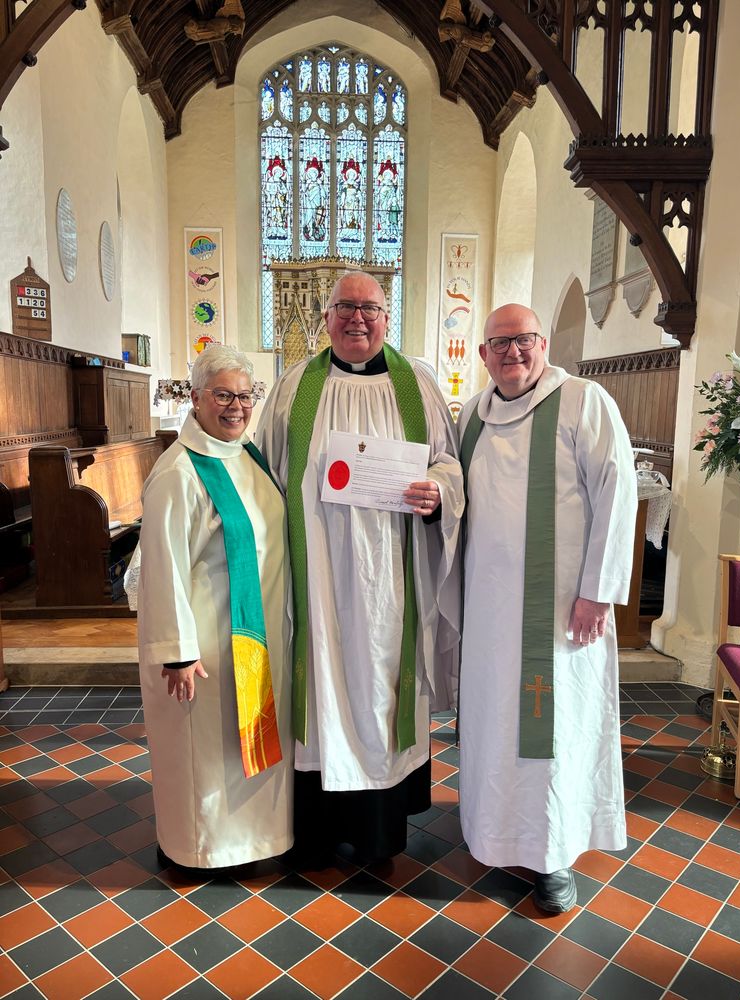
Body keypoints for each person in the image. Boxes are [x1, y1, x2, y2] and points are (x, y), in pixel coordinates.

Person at [256, 270, 463, 866]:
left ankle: (380, 832)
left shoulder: (417, 386)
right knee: (319, 681)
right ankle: (317, 832)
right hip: (314, 576)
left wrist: (437, 494)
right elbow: (267, 476)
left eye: (369, 308)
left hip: (389, 583)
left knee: (380, 682)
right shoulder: (294, 389)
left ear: (386, 317)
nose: (357, 319)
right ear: (325, 317)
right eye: (344, 307)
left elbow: (448, 463)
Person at [458, 303, 637, 913]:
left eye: (524, 340)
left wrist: (598, 591)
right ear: (483, 355)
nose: (512, 353)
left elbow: (618, 493)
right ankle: (494, 833)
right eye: (500, 344)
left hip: (559, 613)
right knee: (494, 725)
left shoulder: (584, 402)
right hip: (487, 612)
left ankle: (553, 854)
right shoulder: (471, 419)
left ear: (542, 345)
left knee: (552, 733)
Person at [136, 345, 293, 870]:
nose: (236, 406)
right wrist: (177, 651)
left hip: (257, 636)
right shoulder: (179, 471)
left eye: (245, 396)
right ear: (197, 397)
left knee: (244, 748)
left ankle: (255, 842)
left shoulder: (248, 453)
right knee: (205, 755)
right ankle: (200, 849)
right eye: (223, 395)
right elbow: (162, 567)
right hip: (207, 644)